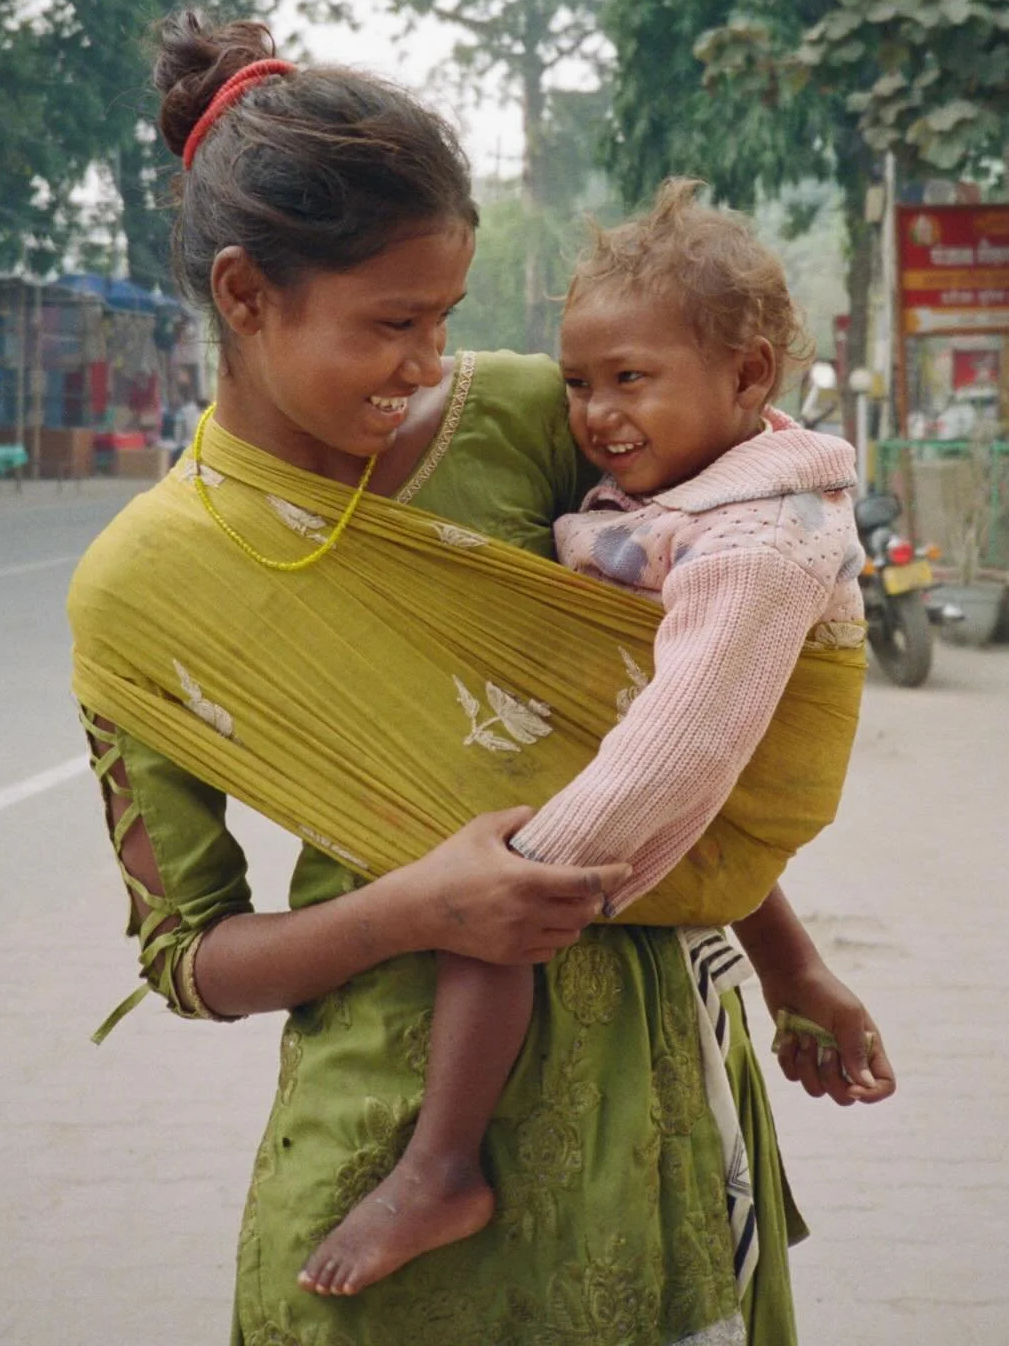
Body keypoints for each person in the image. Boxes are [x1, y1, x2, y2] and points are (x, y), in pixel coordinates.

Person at [71, 13, 895, 1346]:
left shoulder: (534, 419)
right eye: (391, 322)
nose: (425, 362)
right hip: (381, 1120)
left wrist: (790, 962)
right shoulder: (143, 587)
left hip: (653, 1083)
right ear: (244, 294)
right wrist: (420, 908)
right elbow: (190, 959)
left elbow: (681, 715)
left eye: (443, 318)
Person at [302, 181, 872, 1297]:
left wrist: (547, 869)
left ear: (749, 378)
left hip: (644, 803)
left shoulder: (754, 543)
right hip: (631, 784)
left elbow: (686, 738)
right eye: (578, 383)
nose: (599, 416)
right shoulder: (674, 487)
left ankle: (441, 1166)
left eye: (631, 381)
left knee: (488, 918)